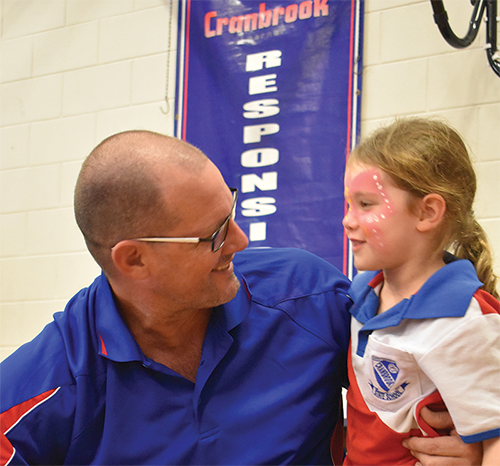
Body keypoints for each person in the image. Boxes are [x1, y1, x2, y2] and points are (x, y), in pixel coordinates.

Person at [0, 130, 481, 465]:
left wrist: (468, 449)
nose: (240, 241)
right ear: (134, 260)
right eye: (212, 235)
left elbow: (445, 366)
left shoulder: (307, 297)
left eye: (229, 211)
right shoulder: (46, 385)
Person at [342, 117, 500, 466]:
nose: (348, 220)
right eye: (349, 205)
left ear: (428, 212)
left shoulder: (462, 319)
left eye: (366, 205)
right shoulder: (360, 296)